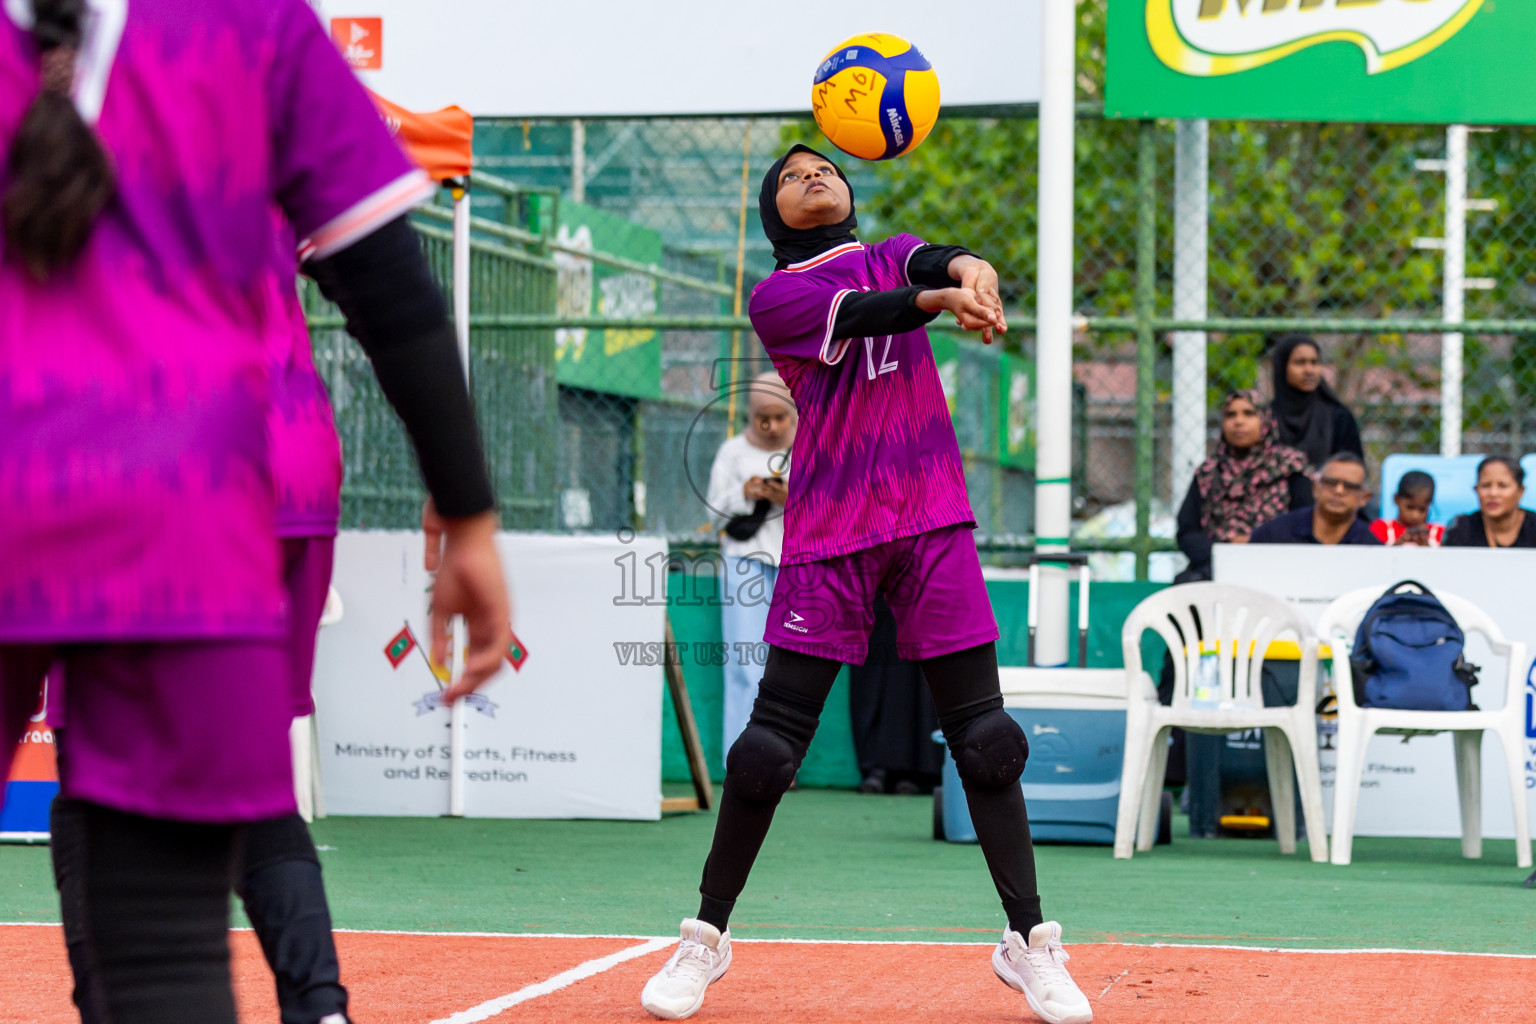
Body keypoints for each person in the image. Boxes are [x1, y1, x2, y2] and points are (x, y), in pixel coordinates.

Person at [0, 3, 511, 1022]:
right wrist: (469, 517)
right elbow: (390, 285)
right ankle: (315, 999)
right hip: (192, 511)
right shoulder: (250, 26)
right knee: (167, 961)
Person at [639, 144, 1092, 1024]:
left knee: (990, 741)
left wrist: (975, 269)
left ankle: (1030, 946)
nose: (811, 175)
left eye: (823, 168)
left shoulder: (896, 250)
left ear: (849, 189)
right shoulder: (778, 295)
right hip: (832, 531)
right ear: (776, 216)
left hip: (930, 519)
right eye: (788, 177)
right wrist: (939, 296)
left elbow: (933, 261)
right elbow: (877, 312)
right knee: (767, 750)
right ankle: (704, 940)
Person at [706, 372, 796, 763]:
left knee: (792, 667)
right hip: (744, 562)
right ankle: (741, 761)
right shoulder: (733, 452)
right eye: (764, 417)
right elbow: (711, 510)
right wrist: (746, 494)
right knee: (746, 664)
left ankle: (782, 761)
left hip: (797, 561)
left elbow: (833, 508)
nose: (773, 426)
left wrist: (789, 497)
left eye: (780, 417)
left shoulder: (811, 446)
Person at [1174, 390, 1311, 582]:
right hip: (1214, 567)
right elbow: (1188, 530)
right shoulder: (1209, 472)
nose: (1238, 422)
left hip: (1278, 566)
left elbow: (1305, 523)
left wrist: (1254, 543)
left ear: (1266, 419)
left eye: (1249, 413)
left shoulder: (1290, 467)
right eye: (1231, 415)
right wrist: (1222, 555)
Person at [1269, 335, 1363, 469]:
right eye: (1300, 362)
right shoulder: (1266, 417)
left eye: (1314, 362)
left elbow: (1353, 470)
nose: (1309, 370)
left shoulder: (1338, 417)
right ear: (1283, 367)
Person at [1249, 453, 1381, 546]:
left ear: (1365, 498)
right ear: (1315, 487)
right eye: (1331, 482)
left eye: (1350, 486)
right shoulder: (1273, 535)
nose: (1338, 491)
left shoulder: (1371, 548)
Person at [1444, 456, 1536, 548]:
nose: (1493, 493)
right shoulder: (1461, 528)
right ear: (1476, 489)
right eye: (1485, 485)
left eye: (1502, 486)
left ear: (1520, 491)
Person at [1371, 471, 1445, 547]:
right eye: (1410, 507)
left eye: (1422, 509)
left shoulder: (1439, 533)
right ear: (1396, 499)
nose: (1415, 516)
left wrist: (1427, 548)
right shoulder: (1381, 529)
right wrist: (1396, 546)